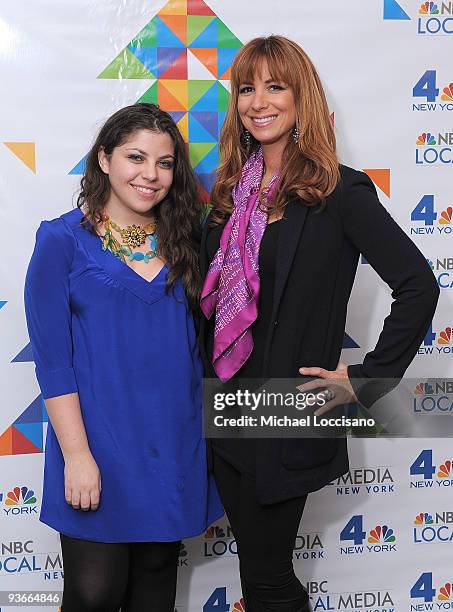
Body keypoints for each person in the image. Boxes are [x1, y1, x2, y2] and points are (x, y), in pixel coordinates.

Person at [199, 36, 439, 612]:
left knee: (268, 579)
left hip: (285, 410)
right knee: (259, 574)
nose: (259, 101)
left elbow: (418, 285)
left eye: (275, 86)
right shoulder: (230, 196)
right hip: (225, 407)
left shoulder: (340, 191)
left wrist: (365, 380)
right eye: (247, 88)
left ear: (302, 98)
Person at [24, 103, 223, 612]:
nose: (150, 175)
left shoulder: (188, 241)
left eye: (164, 163)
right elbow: (53, 363)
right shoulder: (61, 241)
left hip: (173, 444)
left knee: (155, 589)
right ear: (105, 159)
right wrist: (77, 458)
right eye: (136, 157)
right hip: (97, 446)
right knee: (95, 594)